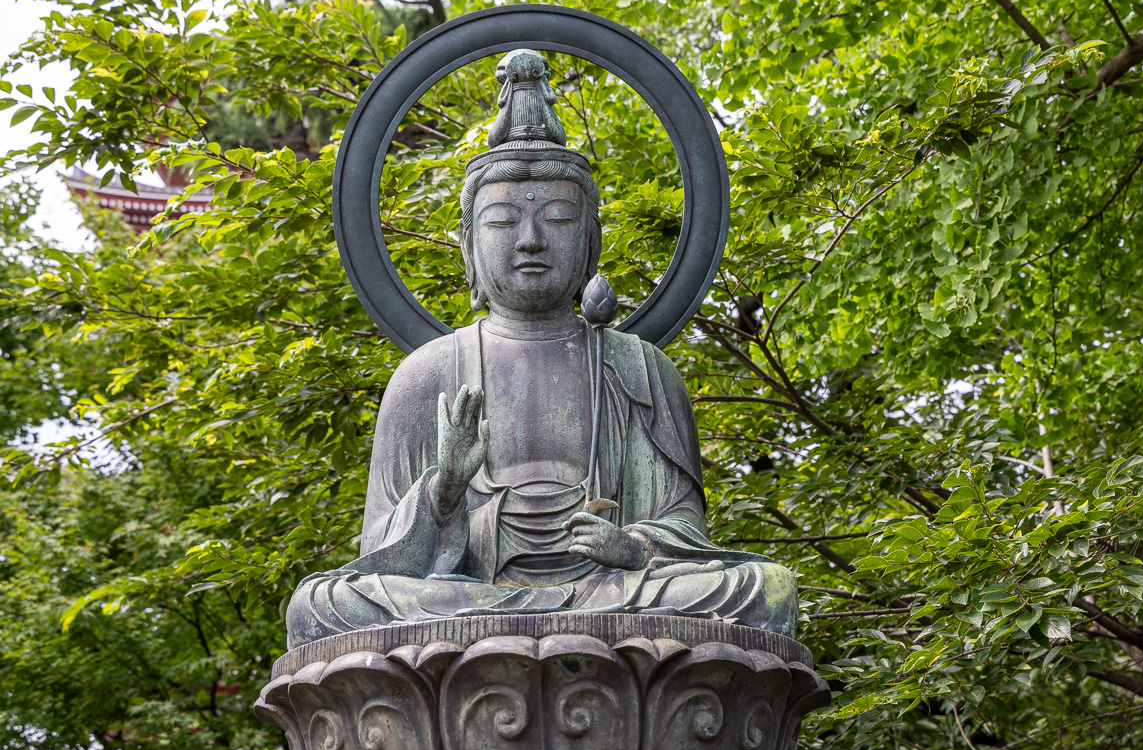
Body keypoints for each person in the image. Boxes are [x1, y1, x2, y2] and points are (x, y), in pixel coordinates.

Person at [285, 51, 796, 649]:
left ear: (590, 243)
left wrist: (635, 547)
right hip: (469, 596)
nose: (530, 240)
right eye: (502, 222)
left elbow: (683, 524)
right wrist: (445, 487)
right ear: (469, 248)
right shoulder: (426, 375)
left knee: (766, 588)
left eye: (557, 218)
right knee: (323, 606)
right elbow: (381, 557)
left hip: (612, 594)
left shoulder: (637, 367)